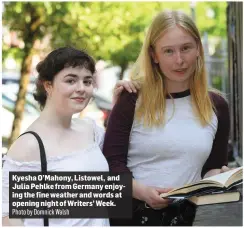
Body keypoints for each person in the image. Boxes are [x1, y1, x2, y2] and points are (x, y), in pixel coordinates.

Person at [103, 10, 231, 226]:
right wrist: (142, 192)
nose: (179, 60)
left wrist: (223, 176)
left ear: (198, 48)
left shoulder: (217, 106)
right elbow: (110, 162)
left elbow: (213, 167)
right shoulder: (131, 99)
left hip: (191, 218)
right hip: (133, 216)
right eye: (168, 51)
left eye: (186, 48)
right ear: (154, 55)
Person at [2, 47, 139, 226]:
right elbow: (8, 217)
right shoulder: (29, 146)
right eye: (71, 80)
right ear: (48, 85)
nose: (81, 88)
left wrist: (119, 107)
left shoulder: (91, 130)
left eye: (87, 81)